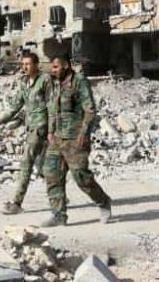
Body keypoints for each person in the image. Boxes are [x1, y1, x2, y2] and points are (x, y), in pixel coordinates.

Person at [41, 55, 112, 226]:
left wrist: (84, 133)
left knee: (81, 176)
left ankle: (103, 202)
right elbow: (52, 110)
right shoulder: (54, 83)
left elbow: (90, 110)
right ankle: (59, 215)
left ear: (66, 66)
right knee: (52, 175)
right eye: (52, 67)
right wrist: (50, 132)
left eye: (56, 67)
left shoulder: (79, 81)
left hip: (75, 139)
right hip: (56, 138)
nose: (53, 70)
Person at [0, 52, 51, 214]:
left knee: (26, 162)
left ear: (36, 65)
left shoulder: (45, 81)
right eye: (23, 64)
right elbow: (15, 105)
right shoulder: (24, 83)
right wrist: (0, 120)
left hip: (41, 127)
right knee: (41, 165)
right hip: (31, 128)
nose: (25, 67)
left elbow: (53, 106)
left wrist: (53, 129)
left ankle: (17, 203)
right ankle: (58, 195)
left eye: (28, 64)